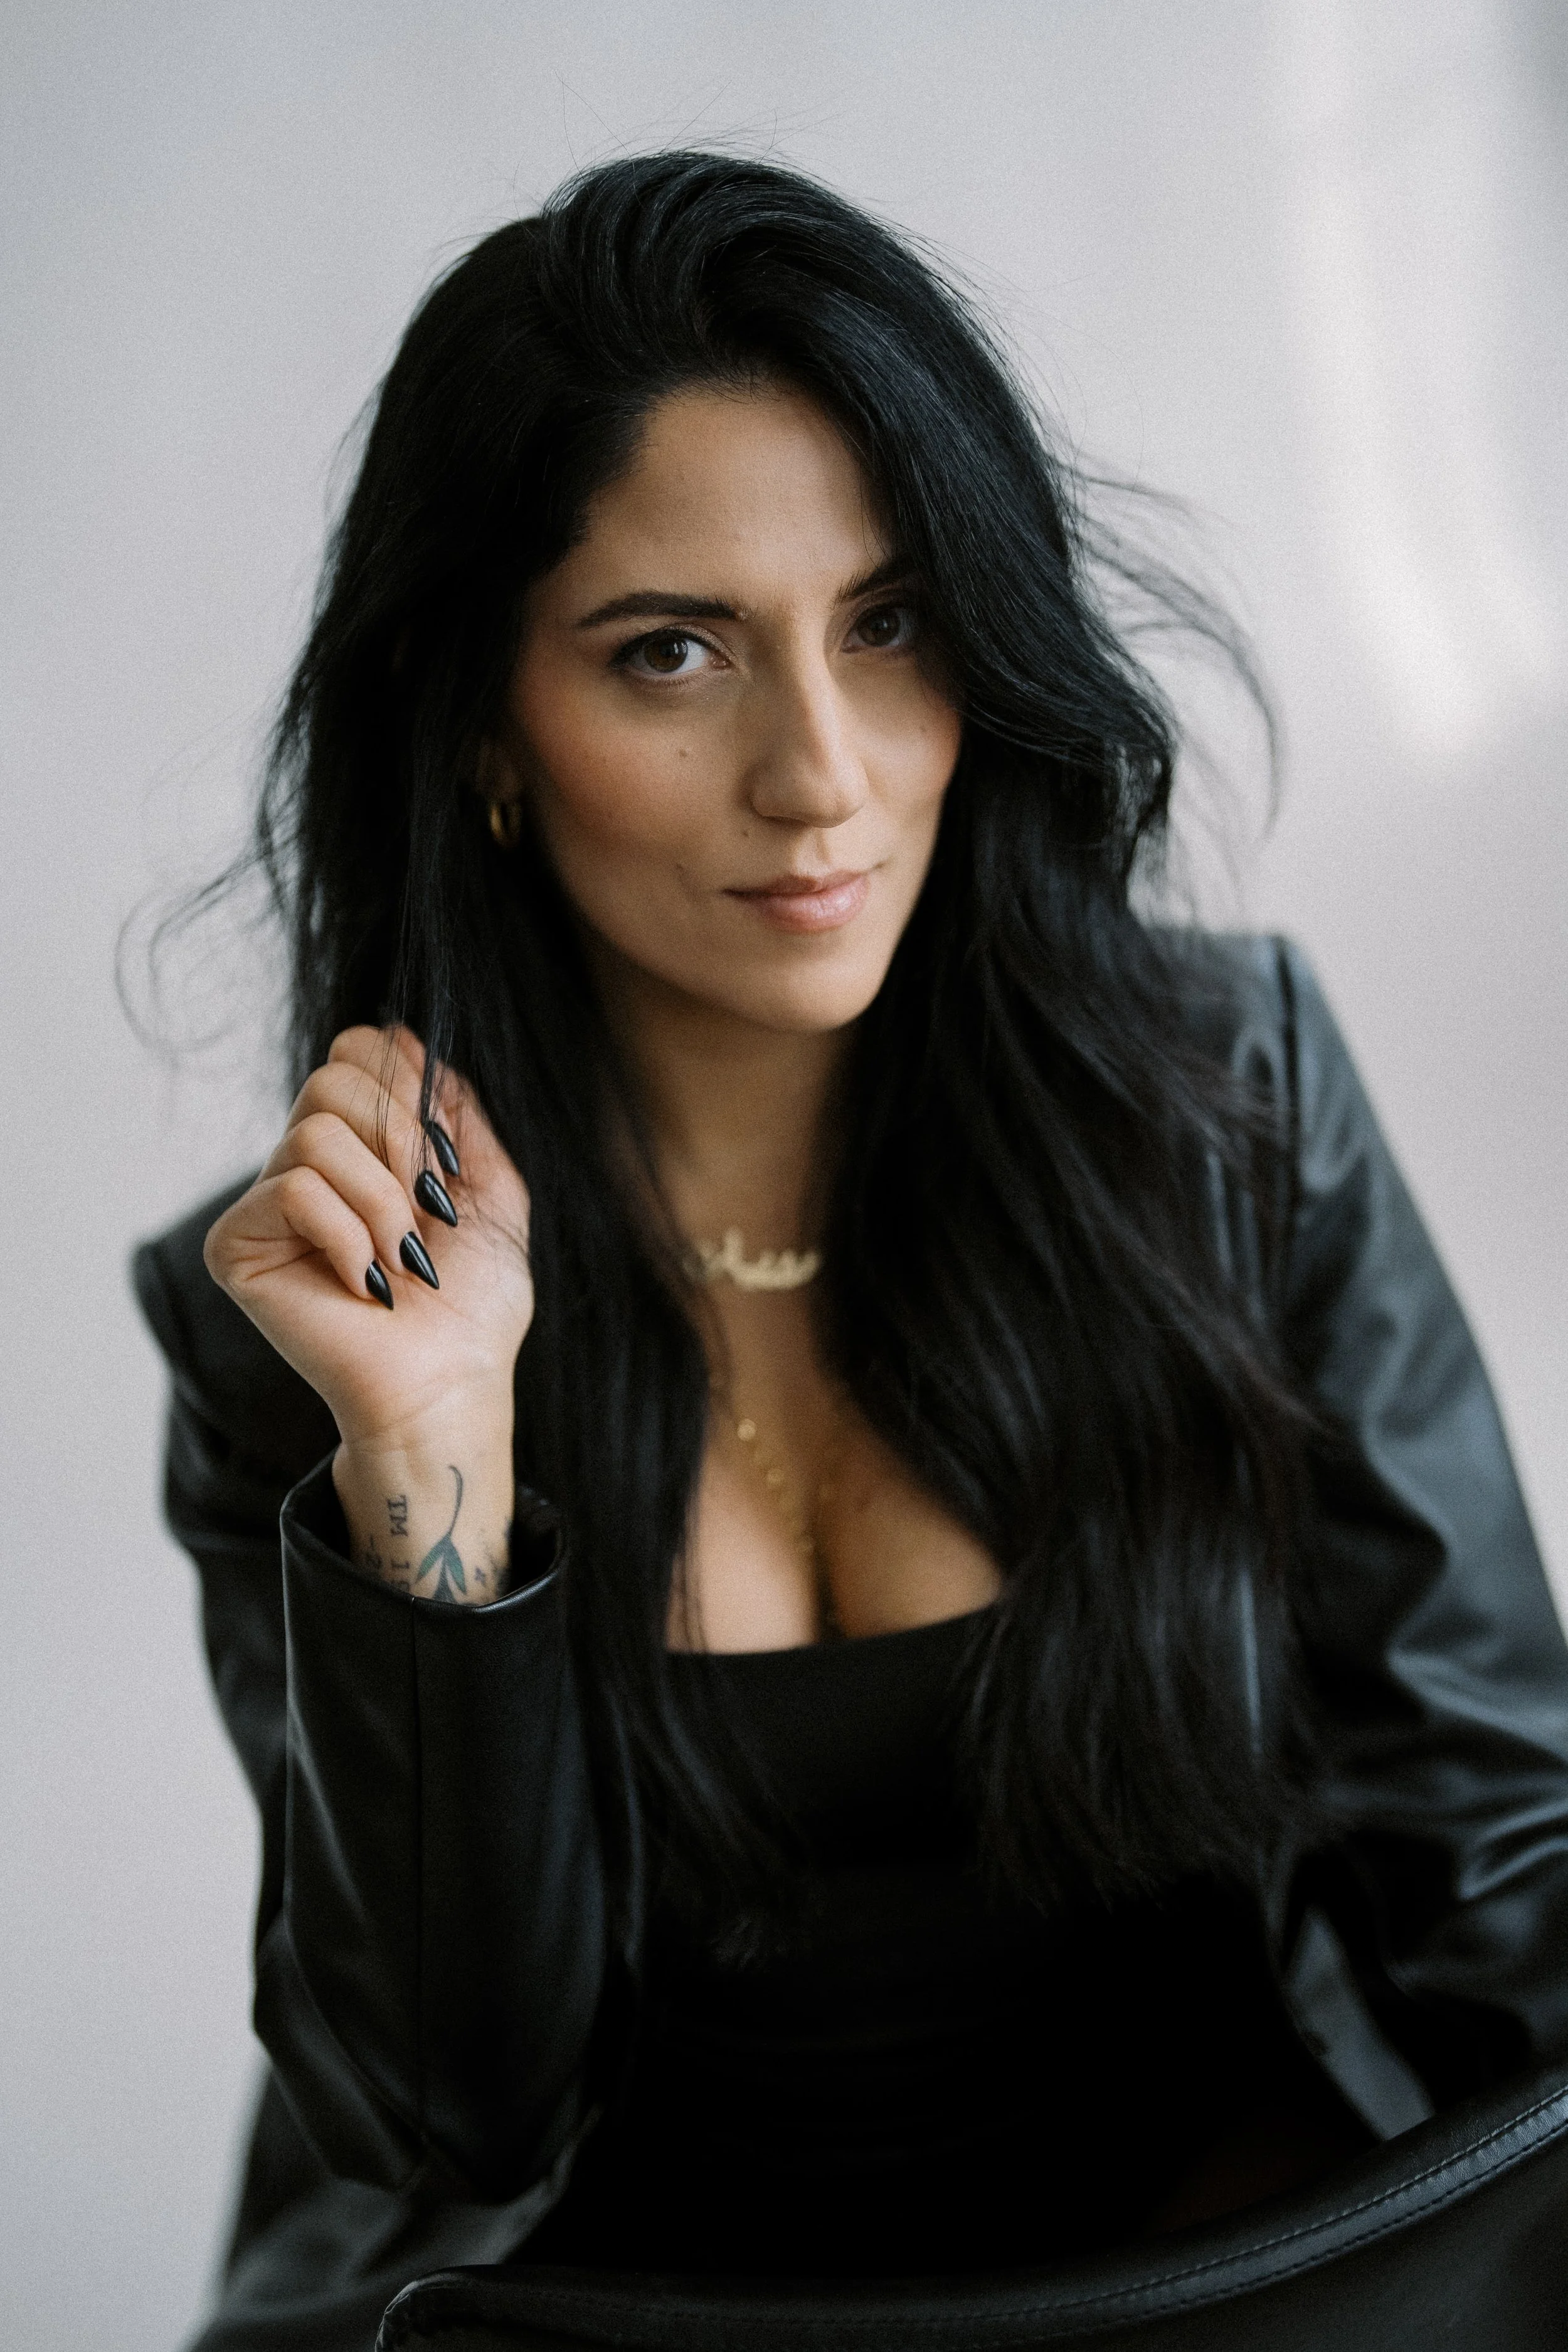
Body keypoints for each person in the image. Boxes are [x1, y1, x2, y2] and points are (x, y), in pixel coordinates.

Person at [134, 153, 1568, 2351]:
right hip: (628, 2334)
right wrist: (430, 1455)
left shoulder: (1227, 1109)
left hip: (1231, 2294)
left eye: (889, 623)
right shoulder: (313, 1311)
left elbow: (1497, 1865)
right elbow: (443, 2112)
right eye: (673, 652)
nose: (822, 772)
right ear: (485, 726)